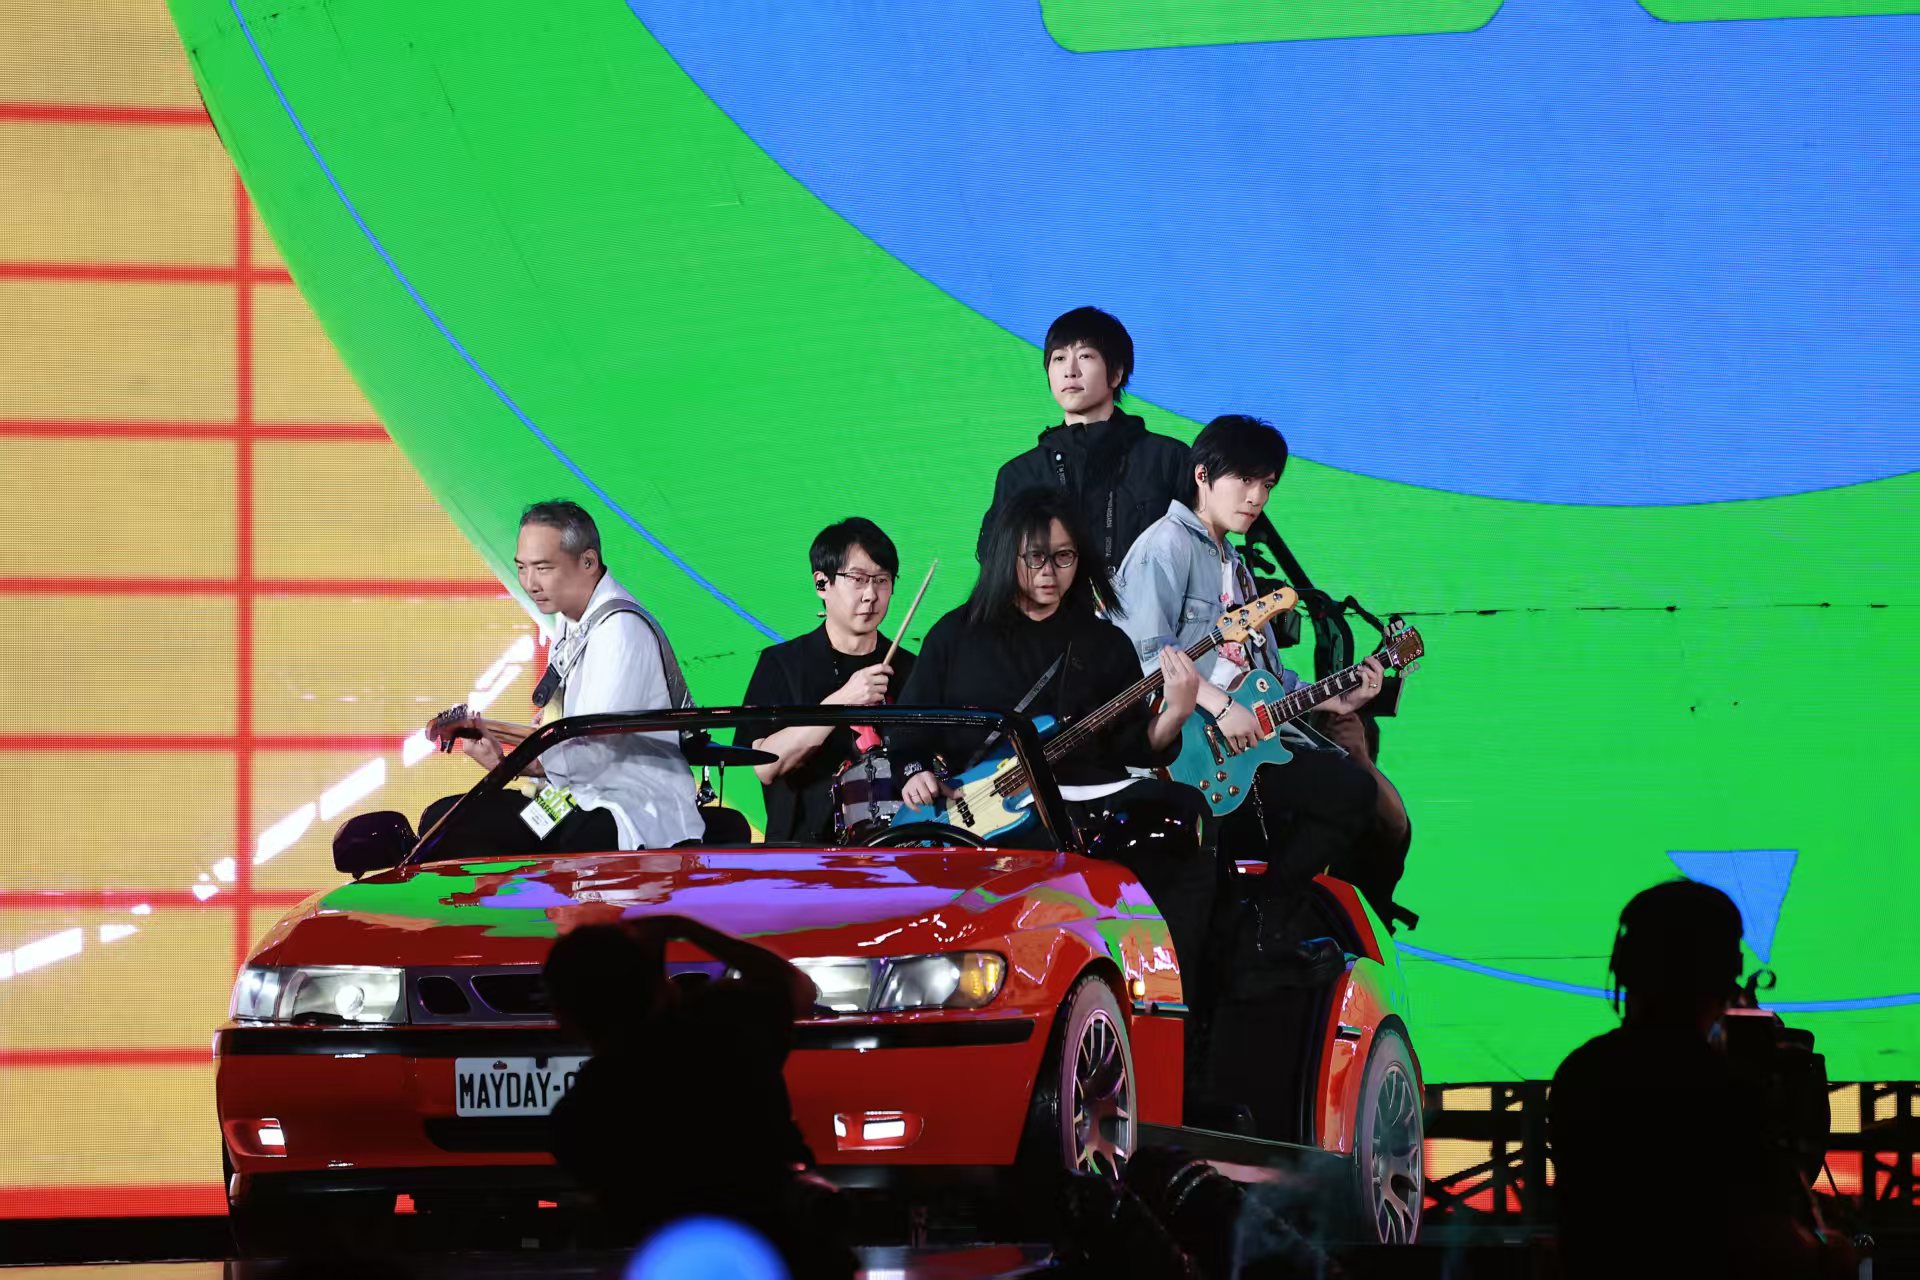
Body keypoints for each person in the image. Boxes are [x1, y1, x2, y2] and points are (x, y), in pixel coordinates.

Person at [1113, 416, 1393, 907]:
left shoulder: (1238, 568)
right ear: (1202, 475)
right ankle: (1268, 917)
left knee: (1352, 790)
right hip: (1186, 747)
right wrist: (1222, 707)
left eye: (1267, 485)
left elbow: (1270, 678)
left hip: (1245, 746)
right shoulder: (1166, 545)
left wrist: (1336, 697)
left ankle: (1270, 916)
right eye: (1244, 479)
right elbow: (1149, 655)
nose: (1256, 496)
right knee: (1344, 793)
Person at [1549, 881, 1855, 1280]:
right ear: (1727, 973)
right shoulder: (1727, 1087)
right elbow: (1770, 1244)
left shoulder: (1582, 1072)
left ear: (1625, 966)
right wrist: (1833, 1255)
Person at [544, 917, 853, 1276]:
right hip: (792, 1252)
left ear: (564, 1018)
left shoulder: (579, 1118)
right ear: (661, 988)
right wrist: (687, 929)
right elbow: (790, 984)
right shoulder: (725, 1032)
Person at [455, 500, 703, 850]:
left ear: (588, 562)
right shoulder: (569, 618)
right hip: (573, 798)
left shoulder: (619, 630)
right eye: (522, 568)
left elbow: (590, 754)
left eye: (543, 568)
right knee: (446, 819)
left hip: (626, 807)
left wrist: (512, 765)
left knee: (464, 831)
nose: (530, 583)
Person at [739, 518, 917, 842]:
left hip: (900, 849)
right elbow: (766, 767)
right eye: (858, 579)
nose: (871, 595)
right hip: (803, 855)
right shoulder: (782, 664)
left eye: (882, 580)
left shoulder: (911, 668)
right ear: (822, 583)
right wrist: (841, 702)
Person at [977, 306, 1191, 567]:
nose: (1070, 371)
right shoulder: (1019, 475)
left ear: (1116, 374)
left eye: (1085, 356)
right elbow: (998, 567)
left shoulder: (1169, 459)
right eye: (1059, 358)